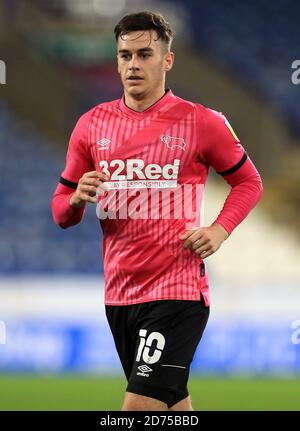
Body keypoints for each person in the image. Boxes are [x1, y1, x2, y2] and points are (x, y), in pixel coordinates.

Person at [52, 11, 263, 411]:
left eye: (144, 54)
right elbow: (61, 212)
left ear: (168, 60)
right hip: (120, 295)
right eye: (124, 55)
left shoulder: (202, 122)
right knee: (171, 407)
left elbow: (250, 182)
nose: (133, 64)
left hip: (177, 292)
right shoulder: (91, 126)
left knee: (137, 409)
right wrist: (77, 198)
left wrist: (219, 230)